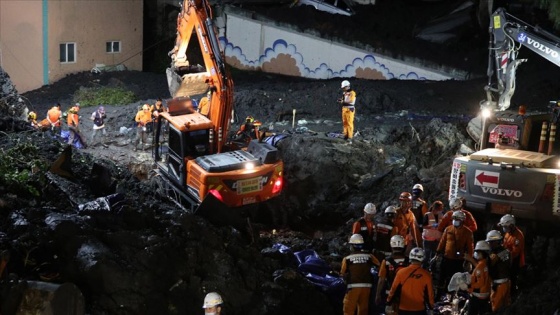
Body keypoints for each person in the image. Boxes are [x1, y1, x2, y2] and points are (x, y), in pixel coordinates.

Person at [386, 247, 435, 315]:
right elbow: (430, 295)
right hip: (419, 310)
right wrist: (431, 308)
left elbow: (393, 290)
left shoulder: (401, 272)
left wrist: (388, 303)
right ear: (422, 258)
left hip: (403, 309)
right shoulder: (427, 275)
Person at [340, 233, 380, 315]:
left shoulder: (347, 258)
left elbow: (342, 273)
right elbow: (379, 266)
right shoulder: (369, 256)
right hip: (367, 286)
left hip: (353, 286)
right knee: (363, 310)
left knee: (348, 310)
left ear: (352, 246)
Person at [436, 210, 473, 295]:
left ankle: (452, 295)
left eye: (457, 219)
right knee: (442, 277)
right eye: (454, 219)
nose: (455, 221)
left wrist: (469, 260)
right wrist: (438, 252)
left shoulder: (467, 232)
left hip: (458, 260)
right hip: (446, 258)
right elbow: (443, 241)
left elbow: (470, 247)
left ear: (462, 220)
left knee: (455, 278)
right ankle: (439, 294)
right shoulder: (448, 229)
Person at [376, 235, 409, 312]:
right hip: (406, 295)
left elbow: (381, 280)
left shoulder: (386, 261)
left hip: (390, 294)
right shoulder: (409, 261)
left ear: (391, 245)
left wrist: (378, 294)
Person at [498, 214, 524, 297]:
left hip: (515, 260)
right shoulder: (508, 233)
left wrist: (501, 255)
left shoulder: (518, 236)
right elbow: (504, 245)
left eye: (506, 226)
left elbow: (515, 252)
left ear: (512, 226)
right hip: (507, 258)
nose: (504, 228)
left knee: (512, 278)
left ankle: (512, 294)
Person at [463, 241, 492, 315]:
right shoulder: (486, 263)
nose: (476, 254)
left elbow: (480, 283)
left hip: (478, 295)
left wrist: (469, 286)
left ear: (483, 253)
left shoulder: (480, 266)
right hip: (485, 294)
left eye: (477, 252)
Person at [486, 230, 511, 312]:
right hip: (502, 283)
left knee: (496, 308)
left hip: (500, 284)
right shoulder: (504, 251)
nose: (489, 244)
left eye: (490, 242)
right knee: (505, 306)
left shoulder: (501, 252)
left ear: (496, 242)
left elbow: (491, 264)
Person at [421, 200, 444, 269]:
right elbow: (423, 226)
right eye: (440, 208)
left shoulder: (441, 215)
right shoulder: (428, 215)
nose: (441, 209)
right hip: (428, 239)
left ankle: (432, 270)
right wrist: (432, 226)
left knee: (434, 256)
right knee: (426, 256)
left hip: (437, 240)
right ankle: (424, 268)